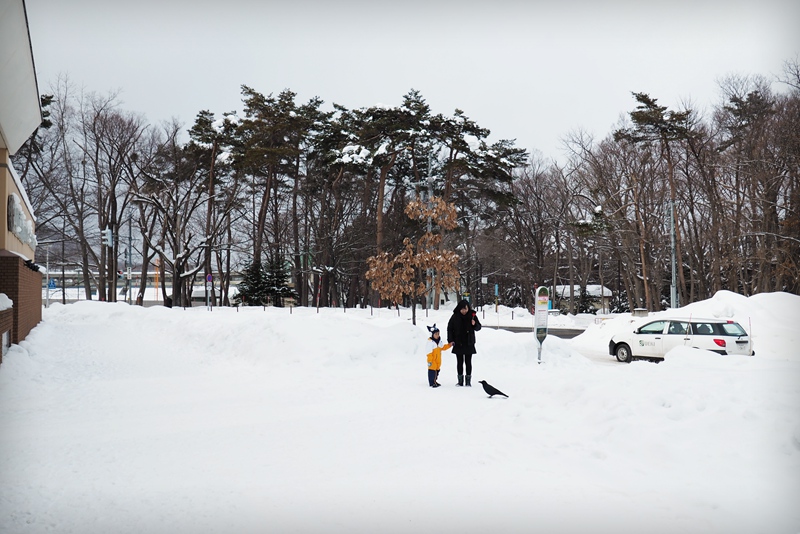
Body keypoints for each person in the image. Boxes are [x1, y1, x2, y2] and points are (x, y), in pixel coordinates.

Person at [447, 299, 482, 386]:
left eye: (465, 309)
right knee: (459, 362)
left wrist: (474, 324)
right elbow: (450, 328)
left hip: (469, 342)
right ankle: (460, 381)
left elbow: (478, 327)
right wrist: (450, 340)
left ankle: (468, 381)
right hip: (458, 342)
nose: (464, 311)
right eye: (462, 309)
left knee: (468, 362)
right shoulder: (455, 316)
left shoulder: (472, 316)